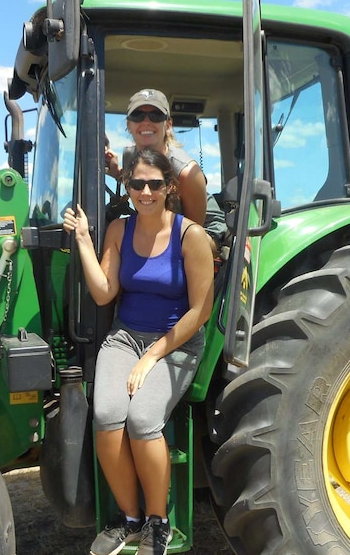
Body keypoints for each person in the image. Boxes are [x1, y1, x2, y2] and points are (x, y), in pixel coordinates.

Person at [64, 148, 214, 555]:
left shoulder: (190, 236)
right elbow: (104, 293)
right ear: (127, 186)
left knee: (143, 419)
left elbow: (201, 311)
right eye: (136, 184)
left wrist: (153, 357)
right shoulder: (119, 229)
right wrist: (82, 240)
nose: (145, 191)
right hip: (126, 337)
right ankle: (130, 520)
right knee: (107, 415)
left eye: (154, 184)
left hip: (176, 342)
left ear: (168, 188)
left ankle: (157, 522)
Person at [105, 88, 227, 253]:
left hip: (203, 231)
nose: (146, 121)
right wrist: (117, 173)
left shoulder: (186, 172)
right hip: (162, 227)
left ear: (168, 124)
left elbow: (192, 233)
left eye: (156, 116)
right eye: (138, 115)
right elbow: (142, 184)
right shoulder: (129, 155)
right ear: (128, 124)